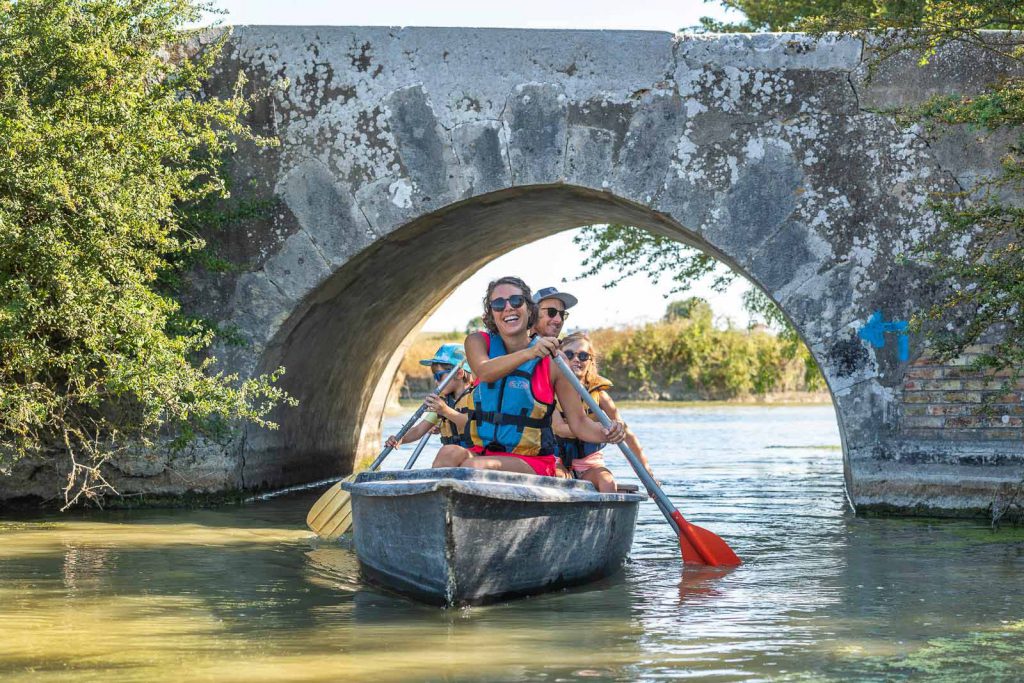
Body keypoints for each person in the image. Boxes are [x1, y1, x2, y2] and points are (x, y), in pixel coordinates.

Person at [431, 276, 625, 476]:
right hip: (481, 453)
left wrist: (608, 432)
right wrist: (530, 353)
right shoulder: (478, 342)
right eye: (498, 304)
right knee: (448, 452)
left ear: (530, 309)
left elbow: (579, 423)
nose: (508, 308)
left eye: (516, 301)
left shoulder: (554, 362)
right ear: (491, 314)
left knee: (474, 467)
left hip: (532, 461)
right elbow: (484, 372)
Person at [552, 331, 656, 493]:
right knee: (559, 479)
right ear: (560, 357)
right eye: (570, 354)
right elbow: (559, 428)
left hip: (590, 464)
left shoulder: (600, 395)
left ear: (591, 362)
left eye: (583, 356)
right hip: (557, 461)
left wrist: (647, 474)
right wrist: (603, 431)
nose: (576, 359)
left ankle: (604, 509)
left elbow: (626, 434)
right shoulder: (550, 391)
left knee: (607, 481)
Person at [385, 343, 473, 450]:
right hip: (451, 456)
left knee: (446, 453)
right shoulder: (443, 402)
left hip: (473, 454)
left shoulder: (476, 396)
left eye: (439, 376)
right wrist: (400, 438)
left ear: (459, 374)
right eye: (434, 377)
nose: (436, 381)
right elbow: (418, 430)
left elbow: (474, 425)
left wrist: (445, 411)